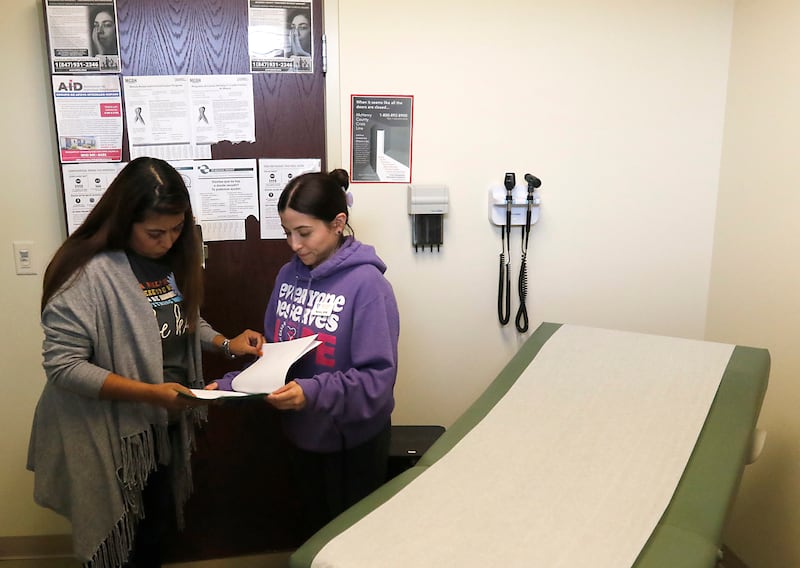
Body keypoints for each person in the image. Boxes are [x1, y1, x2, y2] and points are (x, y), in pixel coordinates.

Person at [27, 157, 264, 567]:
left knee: (152, 529)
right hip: (109, 431)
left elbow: (181, 318)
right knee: (121, 541)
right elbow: (64, 366)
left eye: (177, 229)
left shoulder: (166, 260)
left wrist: (227, 344)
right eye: (156, 232)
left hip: (158, 423)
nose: (169, 240)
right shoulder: (86, 274)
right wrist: (151, 394)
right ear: (123, 221)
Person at [208, 168, 400, 539]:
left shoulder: (369, 286)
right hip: (302, 436)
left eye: (304, 233)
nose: (294, 245)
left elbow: (376, 384)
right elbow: (275, 355)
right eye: (287, 233)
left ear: (338, 223)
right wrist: (232, 386)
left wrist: (311, 392)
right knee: (316, 534)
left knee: (352, 545)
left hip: (351, 445)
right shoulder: (287, 276)